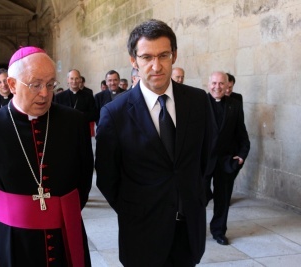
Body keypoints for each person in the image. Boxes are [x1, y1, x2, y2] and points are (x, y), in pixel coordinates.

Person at [0, 46, 94, 266]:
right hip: (11, 239)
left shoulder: (74, 122)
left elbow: (84, 179)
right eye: (36, 85)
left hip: (65, 235)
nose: (45, 93)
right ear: (12, 85)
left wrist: (59, 214)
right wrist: (6, 224)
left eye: (50, 84)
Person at [95, 19, 212, 266]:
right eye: (147, 57)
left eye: (164, 55)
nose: (156, 66)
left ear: (174, 55)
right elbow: (107, 177)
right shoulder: (114, 114)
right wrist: (134, 211)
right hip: (141, 233)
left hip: (189, 229)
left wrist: (195, 197)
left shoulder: (198, 101)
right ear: (133, 60)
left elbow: (206, 156)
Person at [205, 71, 250, 246]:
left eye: (221, 83)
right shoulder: (198, 104)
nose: (218, 87)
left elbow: (242, 135)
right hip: (203, 162)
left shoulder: (234, 105)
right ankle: (196, 231)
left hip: (226, 162)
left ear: (227, 85)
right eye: (214, 83)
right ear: (208, 84)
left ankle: (218, 231)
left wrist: (242, 156)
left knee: (223, 200)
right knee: (200, 197)